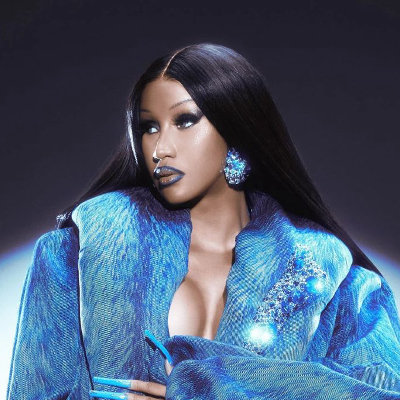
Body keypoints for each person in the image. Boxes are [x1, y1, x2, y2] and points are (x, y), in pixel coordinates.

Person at [7, 43, 400, 400]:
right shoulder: (74, 256)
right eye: (149, 127)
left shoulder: (337, 280)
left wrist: (212, 389)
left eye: (185, 120)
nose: (160, 149)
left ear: (237, 129)